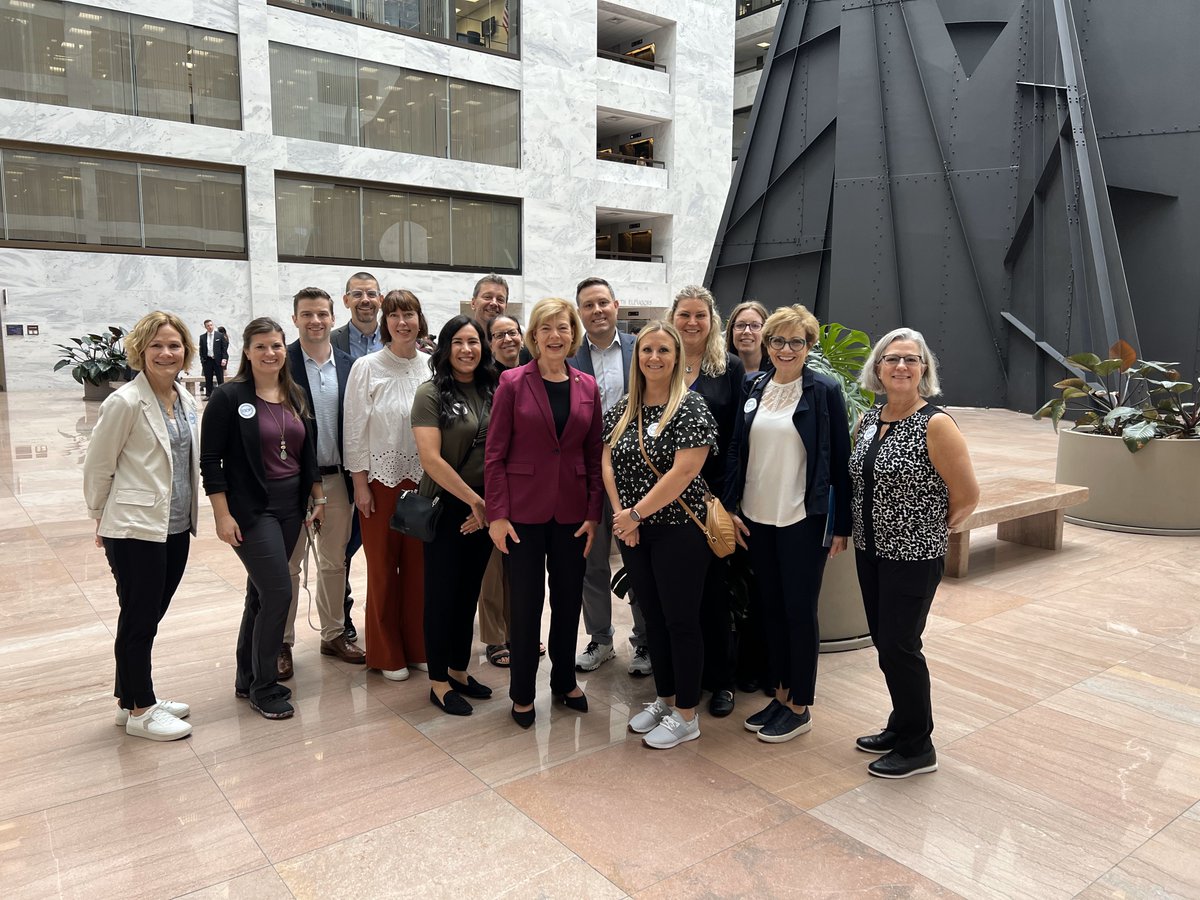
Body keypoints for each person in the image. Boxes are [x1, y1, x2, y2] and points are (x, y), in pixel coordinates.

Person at [850, 327, 978, 778]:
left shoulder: (935, 424)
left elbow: (966, 495)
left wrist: (927, 531)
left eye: (911, 359)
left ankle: (919, 746)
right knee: (886, 644)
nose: (901, 366)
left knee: (901, 646)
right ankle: (901, 724)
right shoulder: (869, 419)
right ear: (878, 368)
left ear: (924, 369)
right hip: (871, 551)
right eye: (892, 359)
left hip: (913, 555)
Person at [723, 304, 852, 743]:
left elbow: (839, 462)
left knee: (799, 611)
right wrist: (732, 506)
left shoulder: (823, 390)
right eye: (778, 340)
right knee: (770, 610)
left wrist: (841, 525)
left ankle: (799, 705)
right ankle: (779, 695)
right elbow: (739, 449)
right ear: (767, 343)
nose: (786, 349)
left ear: (809, 345)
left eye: (796, 341)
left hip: (802, 519)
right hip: (758, 517)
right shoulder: (754, 384)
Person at [485, 297, 602, 729]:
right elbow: (494, 455)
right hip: (522, 514)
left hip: (572, 512)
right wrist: (497, 514)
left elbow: (593, 457)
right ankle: (521, 692)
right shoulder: (513, 383)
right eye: (547, 328)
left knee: (569, 600)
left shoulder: (587, 386)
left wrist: (593, 513)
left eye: (564, 328)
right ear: (534, 336)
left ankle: (564, 680)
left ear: (574, 335)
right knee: (526, 603)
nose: (556, 336)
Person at [201, 317, 324, 720]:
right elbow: (210, 462)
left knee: (260, 592)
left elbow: (309, 451)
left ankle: (246, 676)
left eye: (276, 346)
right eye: (261, 347)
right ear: (247, 351)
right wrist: (222, 514)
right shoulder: (229, 397)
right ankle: (265, 685)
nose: (270, 354)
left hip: (292, 506)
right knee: (278, 593)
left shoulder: (295, 394)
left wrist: (317, 495)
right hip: (253, 509)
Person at [84, 311, 199, 741]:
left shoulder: (183, 399)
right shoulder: (125, 402)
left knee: (147, 613)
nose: (167, 353)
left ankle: (127, 697)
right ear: (141, 351)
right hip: (134, 527)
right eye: (157, 346)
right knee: (139, 616)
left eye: (174, 345)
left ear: (185, 351)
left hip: (174, 524)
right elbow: (98, 465)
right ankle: (142, 708)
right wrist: (100, 517)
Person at [603, 322, 718, 750]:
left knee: (681, 620)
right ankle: (665, 699)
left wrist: (634, 514)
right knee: (653, 621)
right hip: (633, 532)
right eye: (647, 349)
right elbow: (607, 463)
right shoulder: (623, 408)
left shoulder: (690, 407)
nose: (654, 357)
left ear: (677, 358)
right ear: (637, 357)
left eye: (663, 350)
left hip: (679, 532)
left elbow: (684, 471)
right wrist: (622, 518)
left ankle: (688, 714)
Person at [412, 315, 498, 715]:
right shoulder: (430, 393)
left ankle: (460, 669)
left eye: (474, 341)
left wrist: (488, 505)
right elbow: (431, 459)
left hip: (487, 508)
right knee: (442, 595)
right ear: (444, 347)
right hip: (448, 508)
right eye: (459, 342)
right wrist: (473, 502)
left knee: (468, 594)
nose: (468, 349)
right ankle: (438, 680)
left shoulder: (495, 388)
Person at [343, 289, 429, 681]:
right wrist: (360, 484)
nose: (402, 321)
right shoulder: (367, 367)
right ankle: (386, 651)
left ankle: (417, 646)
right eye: (393, 315)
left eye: (408, 313)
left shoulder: (431, 367)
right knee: (381, 569)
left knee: (418, 570)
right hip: (379, 482)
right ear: (385, 322)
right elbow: (354, 430)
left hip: (424, 482)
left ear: (419, 319)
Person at [567, 276, 651, 677]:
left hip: (636, 475)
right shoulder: (566, 355)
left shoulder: (642, 350)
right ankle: (600, 639)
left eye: (603, 303)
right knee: (591, 560)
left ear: (616, 305)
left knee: (638, 560)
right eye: (588, 305)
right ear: (579, 312)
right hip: (584, 475)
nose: (597, 311)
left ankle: (646, 642)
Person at [281, 287, 366, 679]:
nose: (315, 321)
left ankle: (333, 634)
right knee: (289, 565)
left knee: (336, 562)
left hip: (337, 479)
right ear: (295, 319)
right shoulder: (281, 364)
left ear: (334, 318)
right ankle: (281, 642)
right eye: (307, 314)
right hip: (293, 483)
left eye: (322, 314)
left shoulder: (351, 366)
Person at [670, 285, 746, 718]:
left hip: (710, 500)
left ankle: (721, 681)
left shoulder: (728, 368)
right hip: (663, 501)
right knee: (676, 596)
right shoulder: (659, 361)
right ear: (673, 318)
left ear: (712, 320)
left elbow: (736, 440)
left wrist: (729, 502)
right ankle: (687, 676)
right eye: (684, 315)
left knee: (714, 594)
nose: (692, 323)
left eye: (700, 315)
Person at [331, 270, 383, 641]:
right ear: (346, 301)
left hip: (388, 466)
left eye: (372, 294)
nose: (365, 300)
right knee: (342, 550)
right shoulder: (328, 342)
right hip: (340, 463)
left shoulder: (400, 340)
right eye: (357, 294)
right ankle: (341, 619)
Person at [478, 314, 524, 668]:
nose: (507, 339)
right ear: (489, 343)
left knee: (520, 568)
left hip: (526, 486)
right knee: (493, 568)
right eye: (498, 335)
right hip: (494, 483)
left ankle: (519, 630)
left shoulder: (535, 371)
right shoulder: (483, 382)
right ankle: (495, 637)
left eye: (512, 332)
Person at [725, 300, 769, 375]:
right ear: (731, 331)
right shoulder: (718, 371)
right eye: (740, 325)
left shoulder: (777, 371)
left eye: (755, 326)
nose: (747, 331)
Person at [197, 319, 229, 398]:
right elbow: (201, 349)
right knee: (208, 378)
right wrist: (202, 360)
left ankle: (222, 395)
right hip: (207, 360)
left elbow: (224, 348)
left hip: (217, 360)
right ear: (205, 327)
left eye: (211, 325)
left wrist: (224, 358)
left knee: (220, 378)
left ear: (213, 325)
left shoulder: (219, 335)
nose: (210, 327)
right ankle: (208, 395)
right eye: (208, 326)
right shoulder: (202, 337)